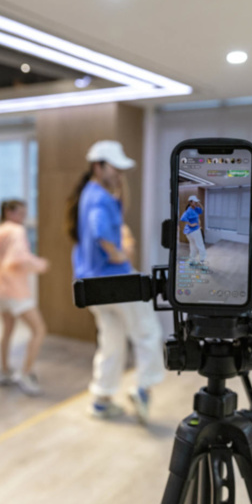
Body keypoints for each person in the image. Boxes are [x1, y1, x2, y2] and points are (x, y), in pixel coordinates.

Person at [67, 140, 165, 422]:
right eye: (115, 168)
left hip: (92, 285)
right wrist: (118, 251)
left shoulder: (89, 193)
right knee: (146, 332)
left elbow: (111, 214)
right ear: (97, 166)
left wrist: (118, 185)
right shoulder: (100, 199)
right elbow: (100, 231)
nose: (120, 174)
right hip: (116, 280)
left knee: (111, 340)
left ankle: (101, 399)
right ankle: (143, 389)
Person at [0, 199, 48, 396]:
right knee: (39, 330)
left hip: (0, 288)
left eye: (24, 213)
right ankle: (26, 373)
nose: (23, 218)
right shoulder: (16, 231)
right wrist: (39, 264)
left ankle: (4, 370)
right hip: (15, 290)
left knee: (7, 329)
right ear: (8, 212)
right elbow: (18, 259)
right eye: (19, 213)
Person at [181, 194, 207, 266]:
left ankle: (192, 261)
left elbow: (202, 210)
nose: (196, 203)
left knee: (193, 246)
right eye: (194, 202)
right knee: (200, 245)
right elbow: (183, 218)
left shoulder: (195, 208)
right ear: (190, 202)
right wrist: (191, 224)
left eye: (196, 202)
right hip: (194, 231)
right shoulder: (189, 210)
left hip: (190, 232)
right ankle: (202, 261)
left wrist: (199, 203)